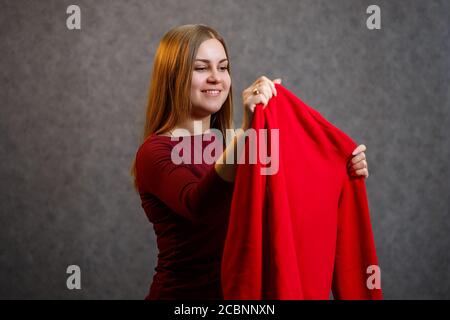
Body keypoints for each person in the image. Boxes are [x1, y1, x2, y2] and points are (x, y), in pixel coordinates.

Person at [130, 24, 369, 300]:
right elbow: (198, 204)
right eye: (200, 68)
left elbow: (292, 198)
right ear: (173, 76)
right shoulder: (154, 152)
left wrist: (342, 170)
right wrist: (246, 132)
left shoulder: (236, 144)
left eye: (223, 67)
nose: (216, 78)